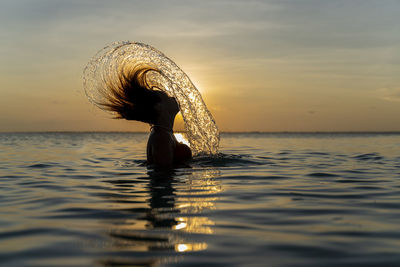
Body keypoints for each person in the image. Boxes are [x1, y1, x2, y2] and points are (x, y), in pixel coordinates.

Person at [98, 64, 192, 168]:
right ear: (159, 107)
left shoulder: (164, 133)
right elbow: (163, 175)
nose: (173, 98)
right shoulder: (162, 137)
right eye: (167, 97)